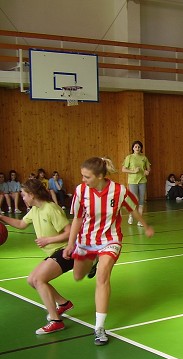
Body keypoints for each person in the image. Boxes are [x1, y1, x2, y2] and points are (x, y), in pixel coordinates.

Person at [63, 157, 154, 346]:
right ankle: (92, 262)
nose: (83, 180)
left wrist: (145, 226)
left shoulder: (119, 191)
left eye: (87, 177)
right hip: (86, 241)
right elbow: (77, 219)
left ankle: (99, 328)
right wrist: (71, 244)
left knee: (102, 277)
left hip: (110, 240)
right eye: (82, 176)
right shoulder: (81, 191)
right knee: (78, 276)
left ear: (100, 176)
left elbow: (133, 210)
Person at [0, 179, 74, 334]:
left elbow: (69, 232)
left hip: (66, 251)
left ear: (32, 195)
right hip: (54, 252)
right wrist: (1, 217)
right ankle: (63, 303)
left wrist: (48, 239)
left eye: (24, 194)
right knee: (31, 280)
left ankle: (56, 321)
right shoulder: (35, 210)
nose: (22, 197)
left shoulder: (51, 209)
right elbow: (21, 225)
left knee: (39, 279)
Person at [122, 140, 151, 226]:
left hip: (142, 180)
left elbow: (148, 168)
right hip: (133, 181)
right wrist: (133, 171)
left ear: (141, 148)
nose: (137, 148)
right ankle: (131, 215)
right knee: (134, 200)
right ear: (133, 148)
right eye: (135, 147)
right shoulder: (129, 157)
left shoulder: (144, 158)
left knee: (141, 200)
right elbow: (123, 169)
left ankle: (140, 220)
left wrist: (147, 171)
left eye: (139, 147)